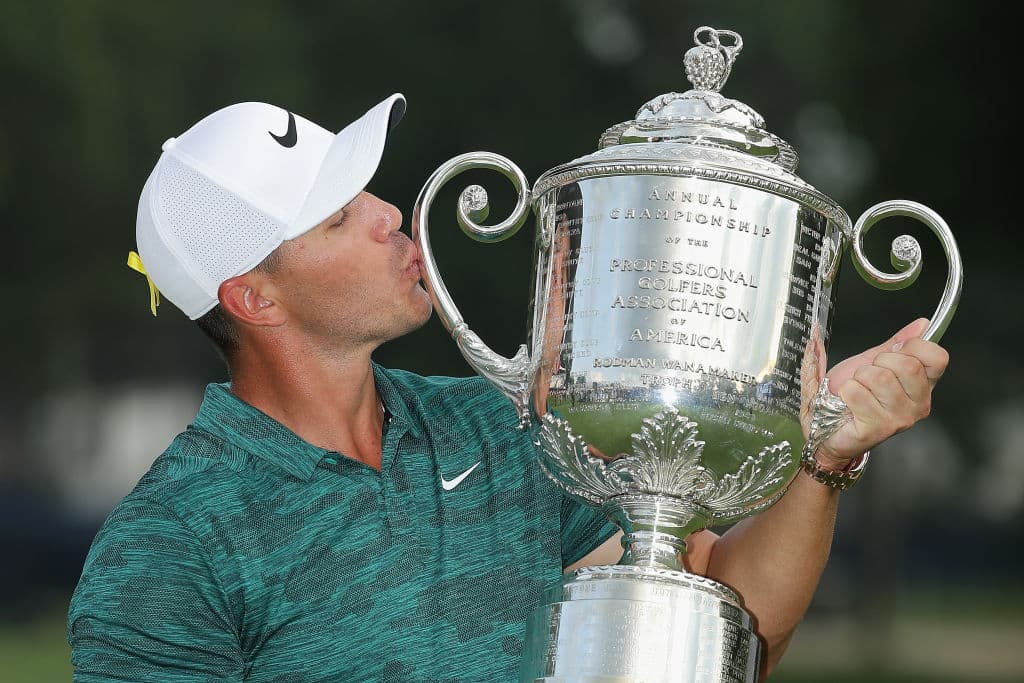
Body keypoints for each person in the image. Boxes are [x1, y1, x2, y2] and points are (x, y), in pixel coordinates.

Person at [67, 94, 948, 682]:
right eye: (339, 217)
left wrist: (827, 454)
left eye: (369, 193)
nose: (389, 216)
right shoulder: (169, 545)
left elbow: (726, 622)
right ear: (254, 297)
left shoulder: (494, 426)